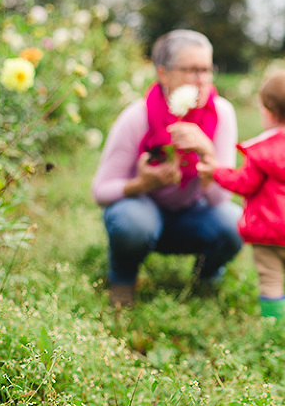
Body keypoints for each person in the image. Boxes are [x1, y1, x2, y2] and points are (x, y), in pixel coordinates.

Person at [92, 29, 243, 307]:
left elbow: (221, 199)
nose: (202, 79)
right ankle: (122, 279)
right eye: (191, 70)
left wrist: (207, 152)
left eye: (207, 69)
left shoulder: (222, 113)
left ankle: (206, 278)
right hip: (143, 212)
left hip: (192, 216)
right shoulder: (136, 117)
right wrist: (141, 185)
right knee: (132, 222)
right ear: (163, 74)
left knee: (234, 222)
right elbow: (100, 191)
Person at [197, 68, 285, 341]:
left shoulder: (261, 152)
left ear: (269, 111)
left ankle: (275, 342)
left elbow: (244, 184)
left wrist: (216, 171)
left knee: (271, 284)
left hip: (267, 234)